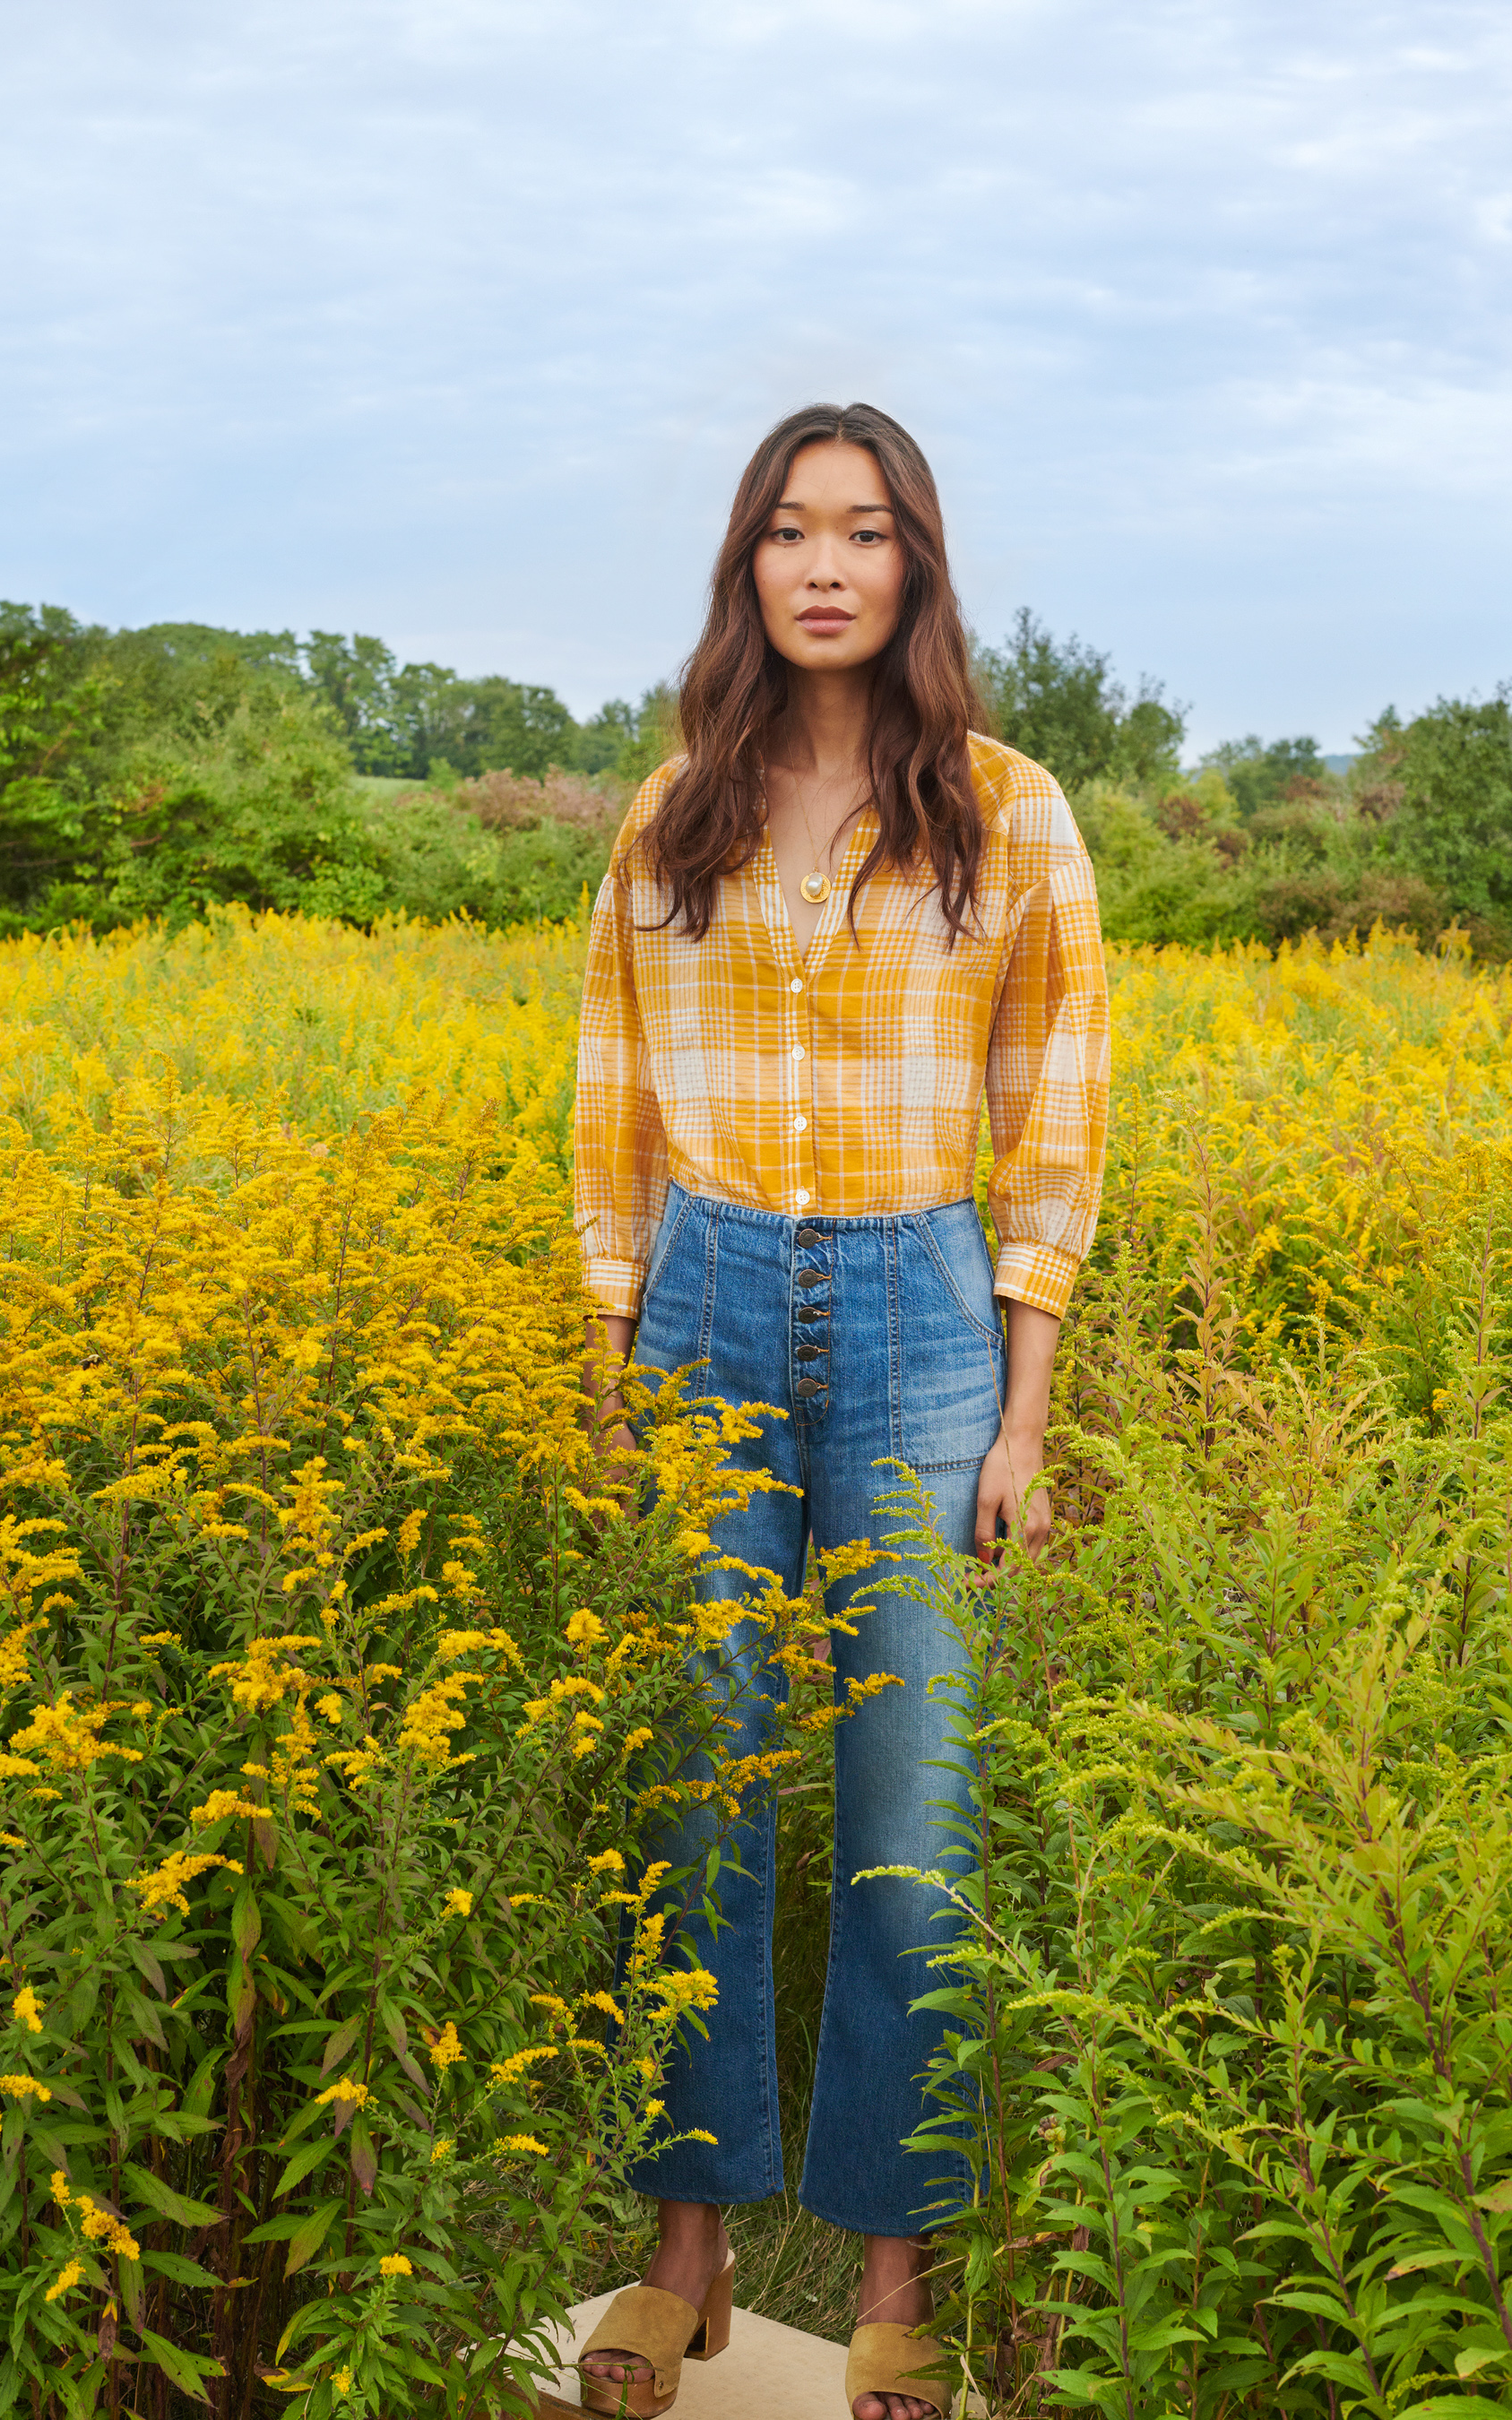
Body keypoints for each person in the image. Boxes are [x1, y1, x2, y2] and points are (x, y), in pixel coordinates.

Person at [572, 402, 1109, 2420]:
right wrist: (612, 1380)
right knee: (696, 1783)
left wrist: (1025, 1414)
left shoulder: (1008, 806)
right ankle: (689, 2249)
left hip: (919, 1317)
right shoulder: (672, 809)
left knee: (912, 1810)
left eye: (862, 534)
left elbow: (1057, 1116)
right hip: (705, 1304)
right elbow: (610, 1111)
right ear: (748, 567)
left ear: (914, 567)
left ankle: (896, 2271)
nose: (823, 566)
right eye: (789, 532)